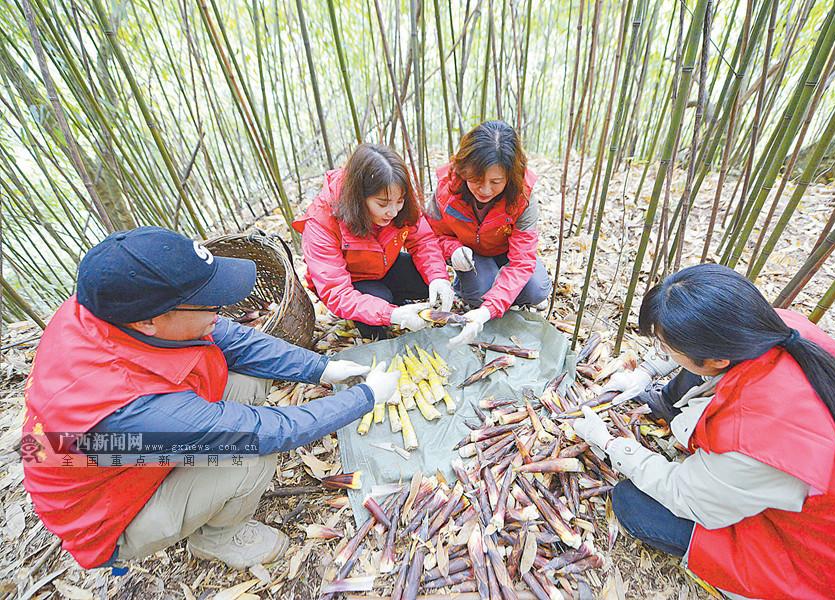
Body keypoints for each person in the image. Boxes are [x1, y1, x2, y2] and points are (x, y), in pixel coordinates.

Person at [21, 227, 399, 571]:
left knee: (247, 374)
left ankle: (202, 497)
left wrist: (320, 369)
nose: (219, 312)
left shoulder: (109, 308)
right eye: (208, 304)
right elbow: (266, 433)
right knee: (251, 456)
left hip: (127, 451)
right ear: (150, 321)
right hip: (109, 512)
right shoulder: (123, 404)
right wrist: (365, 397)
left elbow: (235, 340)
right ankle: (216, 539)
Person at [573, 264, 835, 600]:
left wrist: (610, 443)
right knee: (690, 385)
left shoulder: (760, 437)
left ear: (717, 358)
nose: (664, 354)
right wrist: (647, 370)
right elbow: (699, 358)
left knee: (634, 504)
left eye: (665, 349)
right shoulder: (777, 327)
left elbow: (684, 496)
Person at [293, 143, 454, 340]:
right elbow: (336, 292)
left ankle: (394, 300)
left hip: (386, 265)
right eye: (382, 204)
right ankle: (390, 304)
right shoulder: (321, 221)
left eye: (400, 201)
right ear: (358, 197)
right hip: (353, 281)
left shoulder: (397, 203)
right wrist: (391, 314)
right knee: (375, 324)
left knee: (428, 284)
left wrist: (439, 278)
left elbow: (422, 241)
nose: (393, 212)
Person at [425, 120, 551, 347]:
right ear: (464, 171)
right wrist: (453, 251)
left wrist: (487, 311)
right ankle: (470, 285)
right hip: (470, 256)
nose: (485, 190)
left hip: (506, 251)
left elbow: (521, 262)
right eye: (475, 179)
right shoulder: (447, 189)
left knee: (536, 289)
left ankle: (495, 291)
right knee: (479, 293)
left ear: (509, 177)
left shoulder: (522, 197)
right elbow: (431, 237)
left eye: (495, 182)